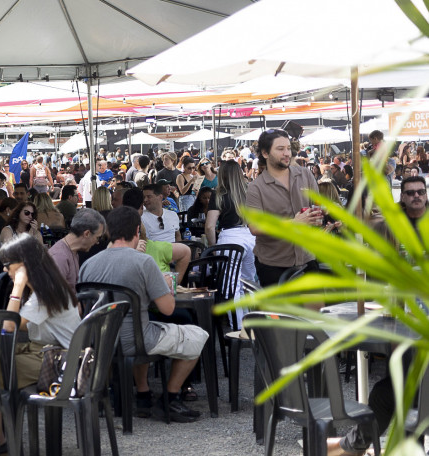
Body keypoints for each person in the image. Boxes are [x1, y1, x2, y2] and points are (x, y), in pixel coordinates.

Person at [79, 206, 208, 422]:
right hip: (136, 340)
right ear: (137, 231)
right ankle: (170, 398)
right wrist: (166, 285)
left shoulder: (88, 265)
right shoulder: (144, 262)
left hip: (100, 340)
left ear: (108, 231)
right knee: (197, 335)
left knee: (144, 326)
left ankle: (143, 393)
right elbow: (168, 309)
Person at [0, 232, 82, 456]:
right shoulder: (46, 287)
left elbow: (10, 326)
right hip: (45, 352)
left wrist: (17, 287)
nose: (5, 269)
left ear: (25, 264)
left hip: (58, 363)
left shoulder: (45, 292)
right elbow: (22, 323)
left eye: (8, 264)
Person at [246, 129, 324, 287]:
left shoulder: (305, 175)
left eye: (288, 148)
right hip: (273, 264)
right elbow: (255, 227)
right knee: (280, 305)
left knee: (316, 303)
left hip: (307, 258)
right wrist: (293, 223)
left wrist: (320, 214)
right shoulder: (256, 188)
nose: (287, 153)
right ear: (265, 153)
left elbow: (317, 207)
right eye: (280, 149)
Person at [204, 160, 257, 310]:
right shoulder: (249, 192)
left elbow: (209, 226)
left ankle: (237, 322)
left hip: (230, 239)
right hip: (250, 237)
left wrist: (213, 247)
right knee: (248, 283)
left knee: (231, 286)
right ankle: (251, 320)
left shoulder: (218, 194)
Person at [47, 208, 105, 292]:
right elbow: (53, 296)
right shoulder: (59, 256)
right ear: (87, 234)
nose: (97, 242)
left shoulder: (72, 251)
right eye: (98, 237)